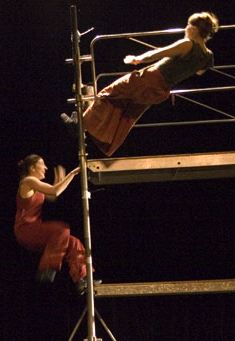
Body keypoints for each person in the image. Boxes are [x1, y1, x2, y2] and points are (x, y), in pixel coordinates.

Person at [62, 12, 219, 157]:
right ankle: (96, 133)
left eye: (189, 25)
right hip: (161, 91)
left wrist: (137, 59)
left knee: (109, 94)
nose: (186, 28)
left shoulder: (188, 44)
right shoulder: (208, 56)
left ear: (196, 29)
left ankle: (80, 125)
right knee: (127, 112)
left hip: (149, 80)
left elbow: (157, 54)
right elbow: (198, 72)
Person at [14, 154, 92, 293]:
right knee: (61, 230)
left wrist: (59, 180)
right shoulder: (28, 181)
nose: (45, 167)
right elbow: (55, 192)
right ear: (32, 168)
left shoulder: (36, 185)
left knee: (73, 242)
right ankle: (47, 268)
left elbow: (51, 195)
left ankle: (83, 279)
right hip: (26, 230)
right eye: (42, 164)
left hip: (35, 230)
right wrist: (72, 174)